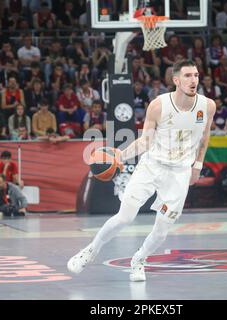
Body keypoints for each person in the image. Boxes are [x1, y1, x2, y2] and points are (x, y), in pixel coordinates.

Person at [67, 60, 216, 282]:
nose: (193, 80)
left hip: (179, 173)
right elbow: (145, 142)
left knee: (162, 229)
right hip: (151, 166)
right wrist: (119, 155)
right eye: (187, 76)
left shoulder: (208, 106)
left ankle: (139, 259)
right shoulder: (158, 105)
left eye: (195, 75)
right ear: (176, 80)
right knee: (125, 217)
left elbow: (205, 137)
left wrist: (197, 165)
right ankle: (90, 250)